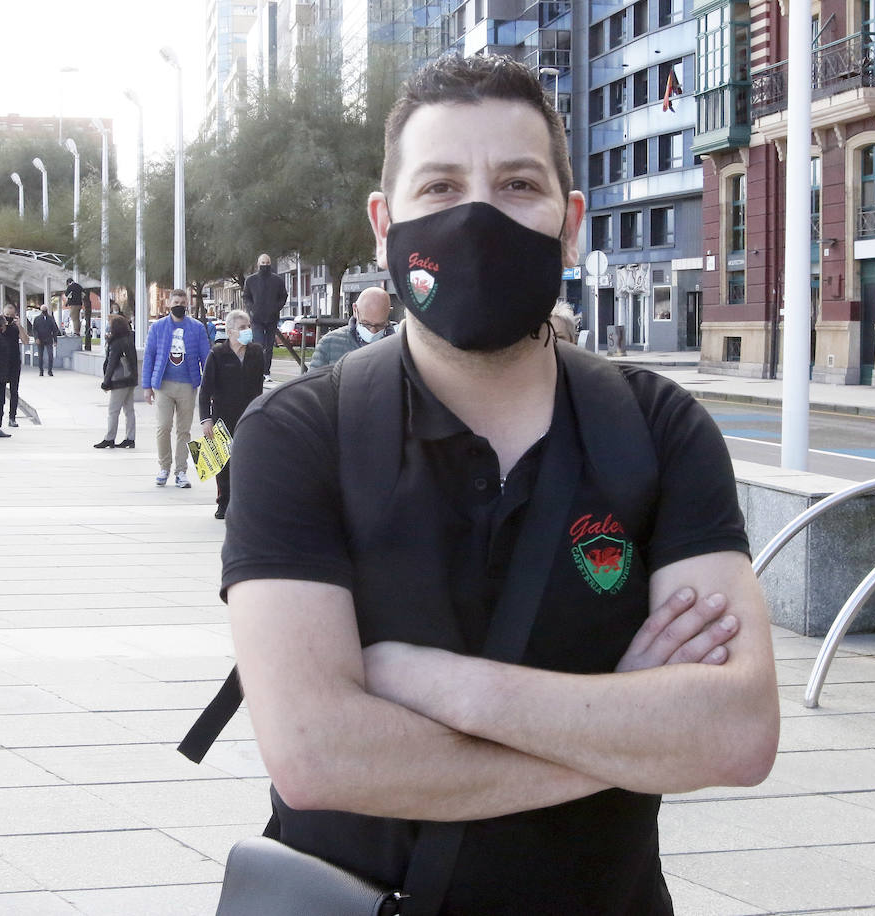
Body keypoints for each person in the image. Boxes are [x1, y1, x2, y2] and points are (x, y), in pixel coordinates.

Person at [217, 54, 778, 914]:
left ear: (570, 220)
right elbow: (316, 757)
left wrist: (442, 685)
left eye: (518, 184)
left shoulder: (659, 428)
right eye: (440, 187)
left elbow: (736, 734)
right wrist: (628, 727)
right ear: (384, 222)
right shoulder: (298, 436)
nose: (477, 217)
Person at [141, 289, 212, 488]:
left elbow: (206, 358)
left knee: (184, 430)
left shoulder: (197, 328)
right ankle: (164, 467)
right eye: (176, 302)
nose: (179, 305)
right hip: (163, 385)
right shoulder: (158, 327)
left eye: (182, 301)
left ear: (187, 304)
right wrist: (147, 386)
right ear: (169, 305)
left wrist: (210, 386)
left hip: (188, 385)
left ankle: (181, 471)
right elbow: (150, 357)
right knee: (163, 427)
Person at [198, 309, 264, 519]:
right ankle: (223, 502)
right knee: (223, 463)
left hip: (249, 416)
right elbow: (205, 390)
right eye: (243, 328)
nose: (247, 331)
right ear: (230, 331)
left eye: (249, 327)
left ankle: (244, 503)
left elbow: (259, 388)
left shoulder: (256, 353)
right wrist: (206, 419)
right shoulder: (217, 354)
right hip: (222, 417)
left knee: (247, 461)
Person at [307, 287, 394, 371]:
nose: (373, 331)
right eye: (366, 324)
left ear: (388, 312)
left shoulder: (399, 346)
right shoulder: (329, 343)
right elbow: (312, 384)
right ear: (355, 309)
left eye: (380, 325)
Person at [95, 314, 138, 450]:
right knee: (129, 410)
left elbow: (111, 363)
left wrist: (106, 382)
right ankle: (130, 438)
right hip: (130, 380)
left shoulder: (116, 342)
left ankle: (109, 438)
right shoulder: (129, 340)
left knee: (113, 411)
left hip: (119, 381)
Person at [242, 253, 287, 382]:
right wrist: (252, 309)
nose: (265, 266)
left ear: (270, 264)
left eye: (267, 263)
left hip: (272, 318)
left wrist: (276, 308)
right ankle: (257, 372)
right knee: (258, 346)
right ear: (258, 264)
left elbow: (283, 296)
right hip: (256, 319)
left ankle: (267, 372)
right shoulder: (250, 280)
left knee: (269, 347)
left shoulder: (278, 281)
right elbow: (246, 297)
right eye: (263, 263)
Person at [1, 304, 28, 427]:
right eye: (7, 316)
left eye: (11, 316)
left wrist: (19, 325)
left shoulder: (16, 327)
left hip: (14, 362)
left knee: (14, 391)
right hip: (1, 363)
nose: (9, 318)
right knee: (0, 392)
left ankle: (12, 417)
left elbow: (25, 340)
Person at [32, 303, 60, 377]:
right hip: (40, 339)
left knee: (50, 355)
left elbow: (54, 330)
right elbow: (34, 330)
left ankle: (50, 371)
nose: (44, 311)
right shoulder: (37, 319)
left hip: (48, 339)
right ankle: (41, 371)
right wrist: (36, 338)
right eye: (43, 310)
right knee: (40, 356)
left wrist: (55, 340)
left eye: (45, 310)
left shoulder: (51, 318)